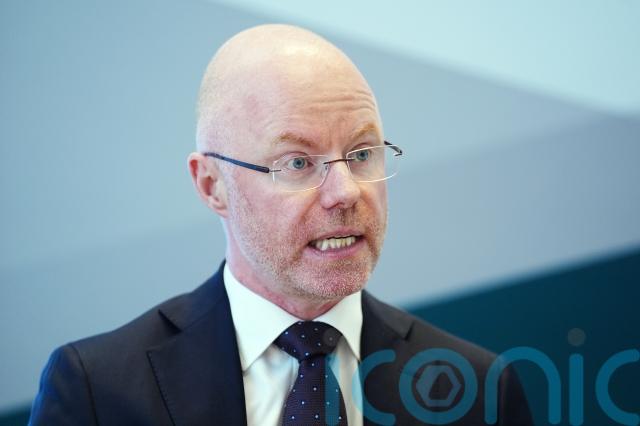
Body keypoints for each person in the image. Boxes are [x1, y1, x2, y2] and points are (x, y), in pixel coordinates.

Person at [29, 24, 533, 425]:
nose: (346, 192)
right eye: (297, 163)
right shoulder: (98, 391)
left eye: (362, 153)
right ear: (212, 185)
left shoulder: (480, 390)